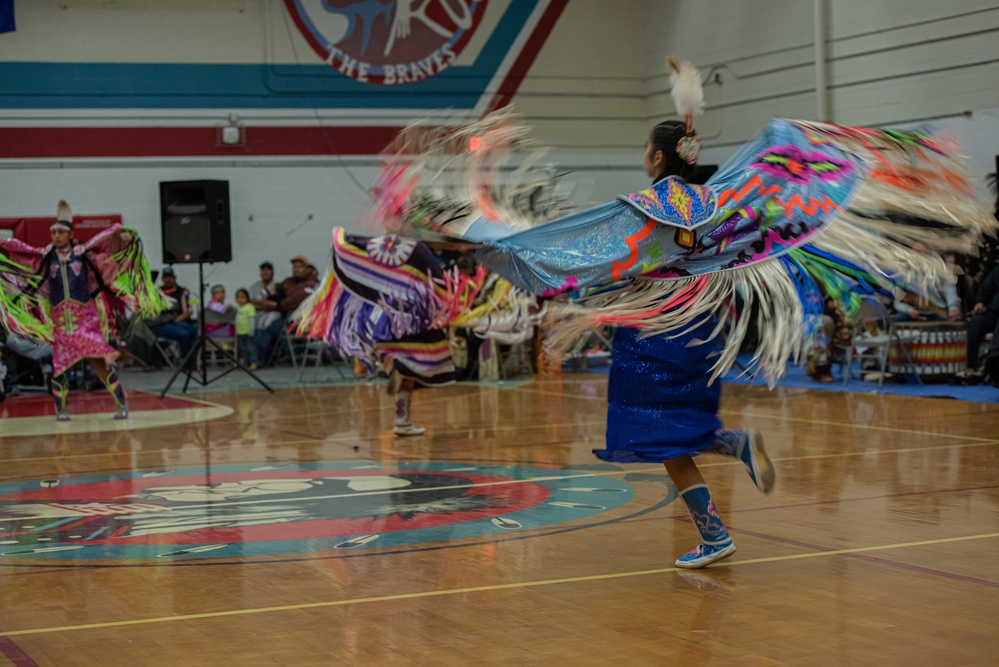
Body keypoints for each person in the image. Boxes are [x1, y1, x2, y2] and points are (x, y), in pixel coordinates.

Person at [296, 230, 480, 435]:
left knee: (406, 371)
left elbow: (357, 252)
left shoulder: (380, 247)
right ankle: (401, 410)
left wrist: (343, 239)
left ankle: (402, 415)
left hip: (387, 322)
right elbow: (440, 284)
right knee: (414, 371)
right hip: (414, 322)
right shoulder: (417, 250)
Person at [0, 200, 166, 420]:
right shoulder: (47, 256)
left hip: (85, 322)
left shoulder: (82, 254)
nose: (56, 236)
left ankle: (121, 405)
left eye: (61, 232)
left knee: (101, 366)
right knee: (60, 369)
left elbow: (105, 245)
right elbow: (23, 250)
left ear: (70, 235)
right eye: (54, 233)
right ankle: (62, 411)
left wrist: (119, 234)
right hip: (62, 323)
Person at [254, 256, 318, 364]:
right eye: (294, 267)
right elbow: (278, 290)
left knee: (273, 330)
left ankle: (260, 361)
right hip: (286, 316)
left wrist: (277, 304)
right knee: (263, 329)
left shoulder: (311, 283)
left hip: (301, 319)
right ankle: (259, 360)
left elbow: (294, 301)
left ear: (308, 269)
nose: (296, 269)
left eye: (300, 267)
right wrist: (274, 293)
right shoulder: (289, 281)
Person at [147, 267, 197, 363]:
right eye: (165, 277)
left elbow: (188, 311)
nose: (168, 280)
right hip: (159, 324)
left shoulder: (182, 291)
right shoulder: (155, 293)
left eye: (170, 277)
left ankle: (191, 358)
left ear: (174, 278)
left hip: (173, 321)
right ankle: (186, 361)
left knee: (195, 330)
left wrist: (176, 319)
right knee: (184, 334)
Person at [967, 263, 999, 370]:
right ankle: (971, 365)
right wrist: (980, 301)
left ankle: (992, 363)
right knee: (976, 322)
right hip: (994, 311)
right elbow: (986, 288)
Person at [234, 288, 260, 369]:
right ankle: (246, 363)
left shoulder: (249, 307)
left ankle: (254, 362)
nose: (240, 300)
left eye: (242, 297)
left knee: (251, 348)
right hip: (240, 332)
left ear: (247, 298)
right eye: (238, 297)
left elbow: (251, 318)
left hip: (248, 332)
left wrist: (251, 329)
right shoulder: (238, 308)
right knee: (243, 349)